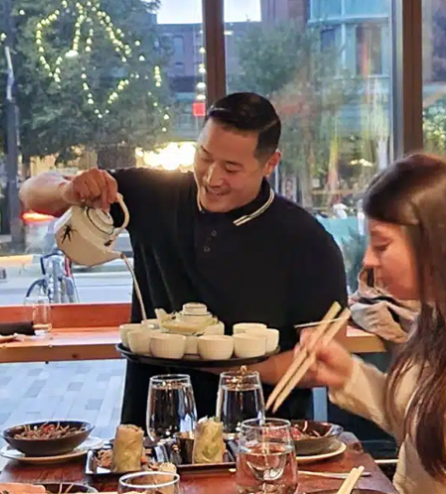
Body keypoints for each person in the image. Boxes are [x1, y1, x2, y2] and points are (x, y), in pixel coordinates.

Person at [20, 92, 347, 427]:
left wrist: (228, 366)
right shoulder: (154, 195)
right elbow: (31, 191)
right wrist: (68, 191)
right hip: (153, 431)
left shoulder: (306, 241)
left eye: (231, 168)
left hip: (261, 439)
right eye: (204, 156)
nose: (211, 178)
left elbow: (324, 361)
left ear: (270, 164)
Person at [300, 153, 446, 494]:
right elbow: (423, 429)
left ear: (434, 244)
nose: (367, 261)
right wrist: (348, 374)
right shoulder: (435, 321)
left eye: (381, 245)